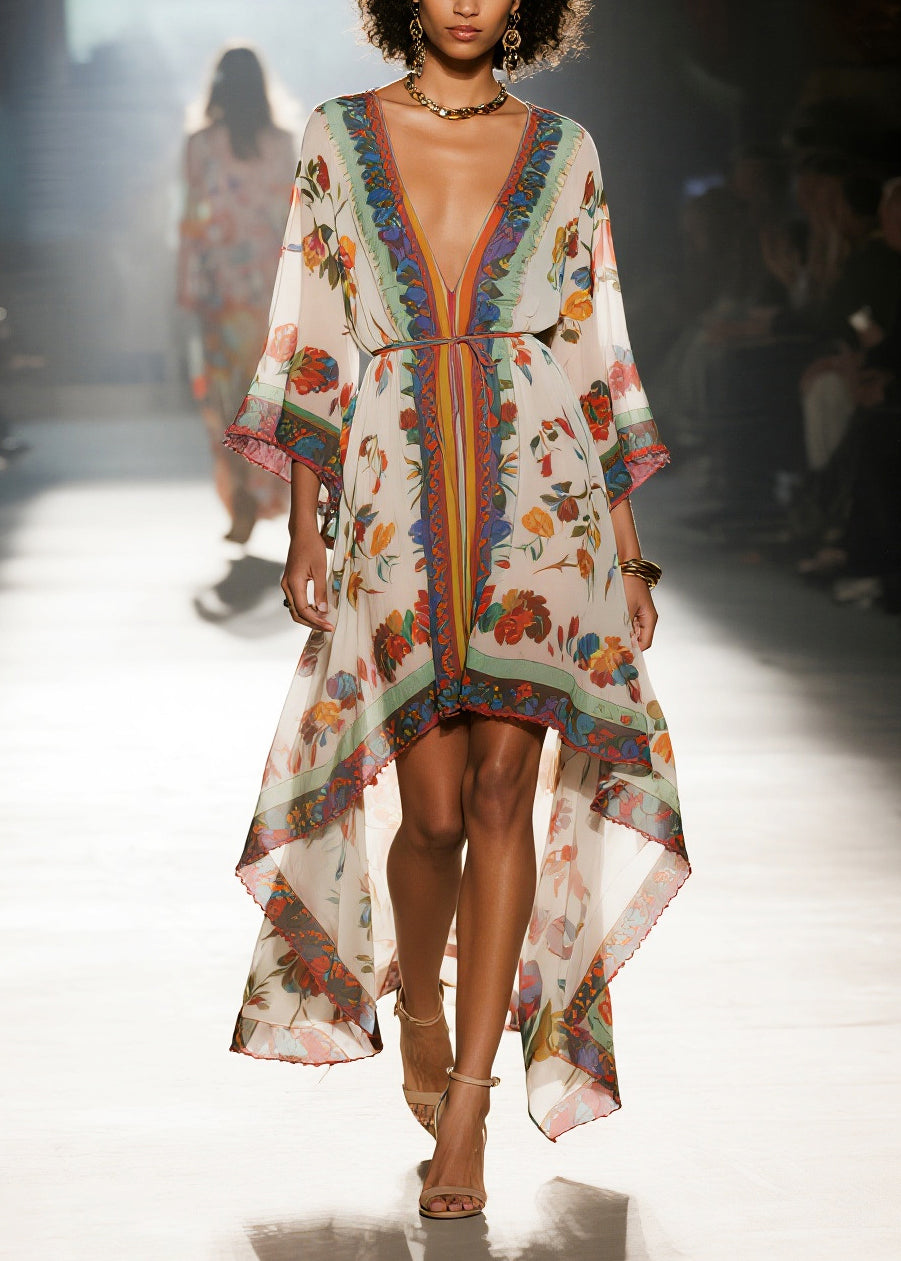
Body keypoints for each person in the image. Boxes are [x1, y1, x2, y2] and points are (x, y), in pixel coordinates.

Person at [223, 0, 690, 1221]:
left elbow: (592, 340)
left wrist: (628, 554)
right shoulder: (338, 135)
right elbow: (313, 327)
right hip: (391, 492)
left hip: (544, 502)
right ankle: (419, 1000)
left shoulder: (564, 149)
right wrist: (304, 522)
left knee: (500, 796)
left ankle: (472, 1104)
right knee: (429, 816)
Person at [177, 46, 294, 543]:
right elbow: (295, 220)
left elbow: (192, 221)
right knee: (269, 397)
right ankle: (266, 490)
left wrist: (186, 285)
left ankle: (242, 490)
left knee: (226, 398)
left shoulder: (201, 145)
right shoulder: (282, 144)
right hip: (272, 292)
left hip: (220, 294)